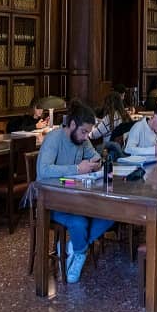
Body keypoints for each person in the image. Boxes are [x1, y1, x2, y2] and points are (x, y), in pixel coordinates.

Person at [37, 104, 110, 283]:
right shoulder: (54, 139)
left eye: (88, 133)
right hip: (53, 200)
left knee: (111, 214)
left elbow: (94, 155)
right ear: (71, 125)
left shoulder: (82, 140)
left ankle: (73, 246)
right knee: (79, 222)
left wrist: (96, 162)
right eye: (84, 132)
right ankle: (80, 254)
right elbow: (44, 170)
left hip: (78, 198)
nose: (86, 137)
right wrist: (78, 168)